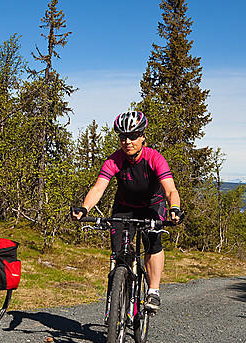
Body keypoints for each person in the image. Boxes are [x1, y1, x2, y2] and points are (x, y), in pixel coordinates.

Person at [71, 110, 182, 313]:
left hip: (152, 206)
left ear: (142, 137)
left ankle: (153, 292)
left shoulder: (155, 158)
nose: (127, 141)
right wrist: (83, 208)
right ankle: (123, 282)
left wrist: (175, 208)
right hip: (125, 208)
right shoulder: (114, 160)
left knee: (152, 241)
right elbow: (98, 188)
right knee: (119, 252)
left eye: (132, 136)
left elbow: (170, 190)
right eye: (123, 137)